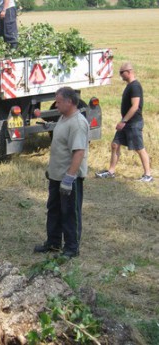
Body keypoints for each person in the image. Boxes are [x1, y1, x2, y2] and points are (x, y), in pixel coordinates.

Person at [34, 87, 89, 259]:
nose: (55, 105)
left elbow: (78, 152)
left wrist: (69, 178)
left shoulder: (78, 123)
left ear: (70, 102)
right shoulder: (64, 118)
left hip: (68, 179)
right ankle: (54, 242)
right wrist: (53, 170)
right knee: (54, 209)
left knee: (70, 212)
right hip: (56, 176)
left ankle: (72, 248)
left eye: (58, 101)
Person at [95, 62, 153, 182]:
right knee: (115, 145)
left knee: (139, 148)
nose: (120, 75)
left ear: (129, 71)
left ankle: (148, 175)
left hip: (133, 123)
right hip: (126, 123)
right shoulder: (129, 85)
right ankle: (111, 172)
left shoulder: (135, 86)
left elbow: (135, 106)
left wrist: (124, 120)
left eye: (122, 72)